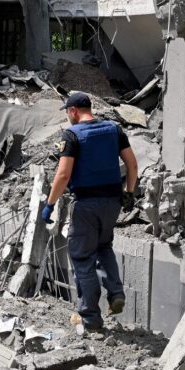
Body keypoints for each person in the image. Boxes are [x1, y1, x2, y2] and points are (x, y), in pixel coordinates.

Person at [41, 92, 138, 330]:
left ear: (73, 111)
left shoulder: (72, 135)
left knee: (83, 258)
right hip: (112, 202)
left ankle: (90, 318)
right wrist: (129, 192)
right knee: (104, 247)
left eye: (67, 112)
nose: (68, 116)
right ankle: (116, 293)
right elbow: (132, 164)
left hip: (86, 205)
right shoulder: (114, 130)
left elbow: (63, 175)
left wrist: (50, 204)